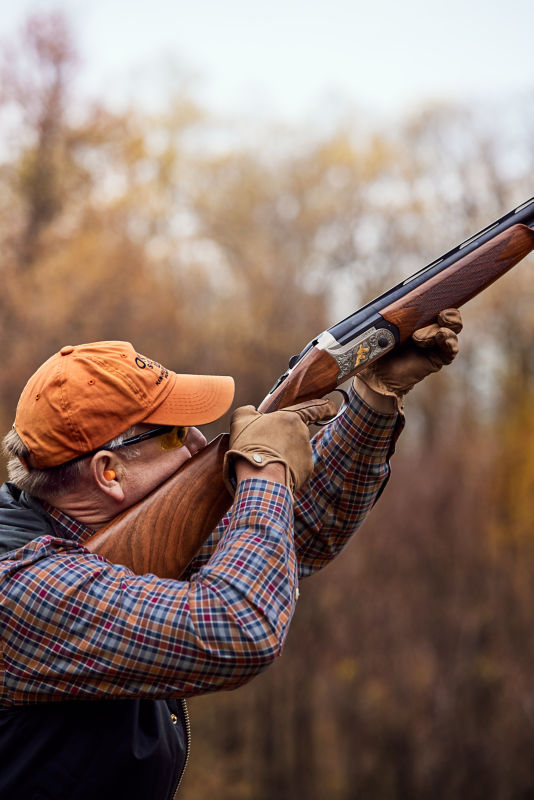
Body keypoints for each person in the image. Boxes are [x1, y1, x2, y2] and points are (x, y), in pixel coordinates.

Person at [0, 310, 462, 799]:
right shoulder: (19, 586)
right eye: (175, 434)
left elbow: (295, 532)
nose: (200, 441)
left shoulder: (112, 546)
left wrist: (373, 397)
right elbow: (240, 624)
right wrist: (264, 470)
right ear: (108, 472)